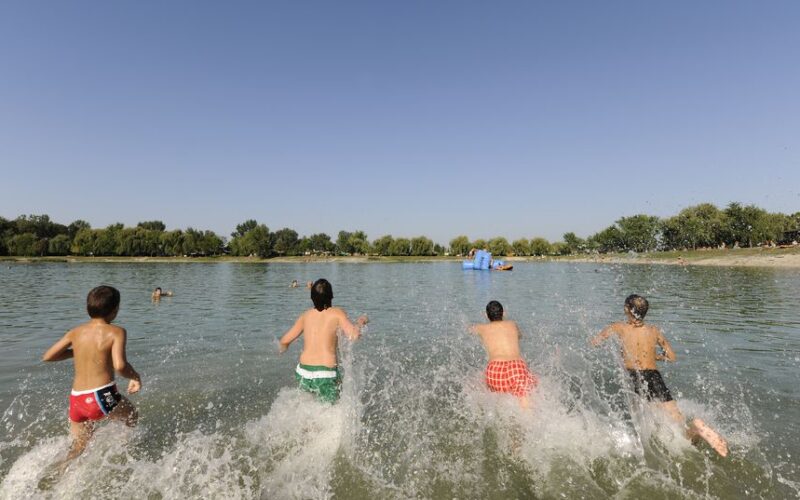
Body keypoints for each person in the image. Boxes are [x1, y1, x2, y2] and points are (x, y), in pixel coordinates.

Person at [591, 294, 728, 457]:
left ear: (627, 309)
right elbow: (671, 356)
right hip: (654, 376)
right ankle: (696, 428)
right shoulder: (654, 331)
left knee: (641, 420)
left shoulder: (619, 327)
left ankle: (639, 448)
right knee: (677, 422)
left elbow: (595, 342)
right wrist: (655, 356)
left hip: (636, 376)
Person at [42, 285, 141, 460]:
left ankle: (60, 470)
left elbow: (48, 356)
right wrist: (135, 377)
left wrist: (79, 351)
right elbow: (120, 365)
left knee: (80, 446)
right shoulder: (116, 332)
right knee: (132, 415)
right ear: (115, 309)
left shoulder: (75, 332)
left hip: (77, 399)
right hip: (101, 396)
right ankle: (126, 454)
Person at [279, 279, 368, 403]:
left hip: (303, 372)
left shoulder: (305, 315)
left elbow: (284, 341)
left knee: (309, 407)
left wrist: (281, 350)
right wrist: (360, 322)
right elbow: (354, 335)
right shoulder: (337, 313)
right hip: (326, 374)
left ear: (312, 298)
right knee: (332, 410)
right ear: (331, 296)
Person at [470, 301, 538, 408]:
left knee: (481, 383)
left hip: (495, 368)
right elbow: (520, 336)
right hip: (516, 367)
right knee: (530, 386)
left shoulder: (481, 328)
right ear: (504, 313)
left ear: (486, 315)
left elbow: (470, 330)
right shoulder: (512, 324)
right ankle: (529, 416)